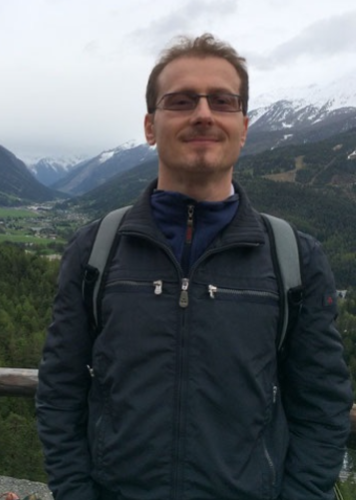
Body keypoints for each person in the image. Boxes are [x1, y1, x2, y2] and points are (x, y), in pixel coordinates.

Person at [36, 33, 353, 500]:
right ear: (150, 126)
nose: (203, 113)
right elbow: (59, 391)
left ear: (244, 127)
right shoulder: (95, 250)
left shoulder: (294, 258)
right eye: (181, 101)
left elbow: (322, 405)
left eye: (222, 101)